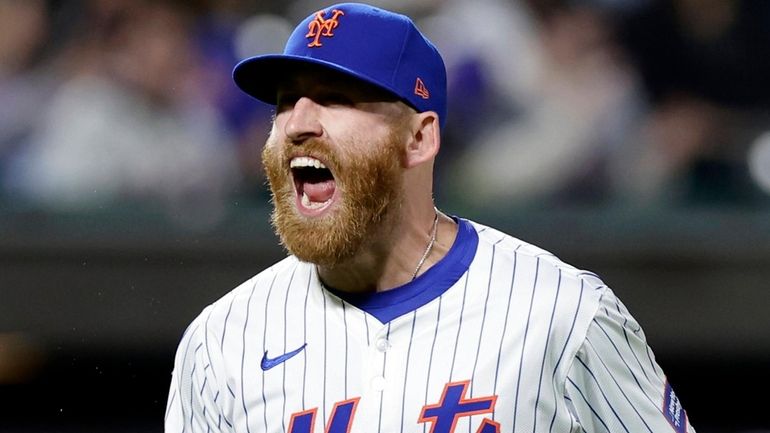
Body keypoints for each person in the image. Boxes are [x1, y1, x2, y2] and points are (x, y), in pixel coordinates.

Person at [165, 3, 696, 433]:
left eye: (335, 98)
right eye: (284, 103)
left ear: (419, 138)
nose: (297, 123)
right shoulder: (221, 341)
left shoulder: (560, 312)